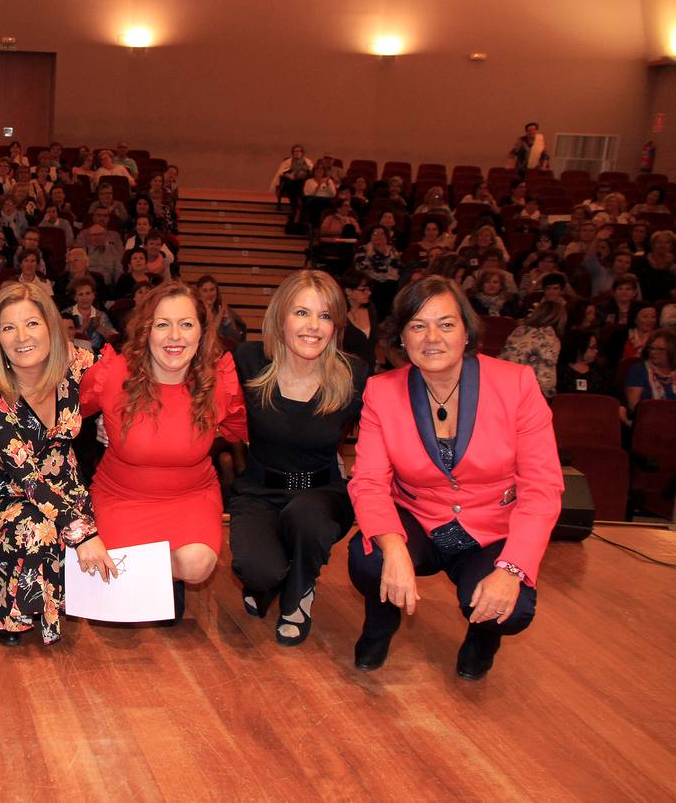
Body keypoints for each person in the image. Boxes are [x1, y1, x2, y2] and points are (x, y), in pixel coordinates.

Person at [347, 277, 562, 680]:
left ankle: (483, 640)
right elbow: (369, 481)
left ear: (467, 332)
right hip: (419, 518)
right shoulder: (381, 391)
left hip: (491, 528)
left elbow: (542, 487)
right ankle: (380, 625)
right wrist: (393, 548)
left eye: (446, 324)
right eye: (418, 326)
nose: (432, 337)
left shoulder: (516, 384)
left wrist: (511, 568)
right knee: (370, 559)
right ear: (403, 338)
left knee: (511, 609)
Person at [81, 280, 247, 622]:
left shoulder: (219, 380)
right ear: (146, 331)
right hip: (121, 495)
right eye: (162, 324)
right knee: (113, 612)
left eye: (186, 324)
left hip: (190, 496)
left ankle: (159, 580)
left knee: (198, 564)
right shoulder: (113, 373)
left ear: (201, 332)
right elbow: (65, 414)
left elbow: (241, 429)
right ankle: (148, 583)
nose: (175, 336)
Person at [227, 271, 367, 645]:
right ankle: (276, 575)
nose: (313, 326)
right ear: (280, 318)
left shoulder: (352, 373)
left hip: (321, 493)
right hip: (260, 490)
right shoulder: (249, 359)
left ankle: (301, 590)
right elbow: (199, 397)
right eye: (302, 313)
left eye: (325, 316)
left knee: (308, 518)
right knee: (258, 571)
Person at [0, 281, 112, 646]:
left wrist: (117, 420)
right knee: (37, 528)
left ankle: (62, 589)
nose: (21, 337)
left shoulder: (75, 366)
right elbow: (29, 479)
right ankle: (7, 613)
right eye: (8, 327)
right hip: (7, 497)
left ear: (50, 325)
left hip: (69, 489)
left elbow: (123, 375)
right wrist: (83, 533)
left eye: (32, 323)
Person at [498, 299, 565, 398]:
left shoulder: (520, 330)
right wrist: (552, 396)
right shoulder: (551, 339)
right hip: (525, 391)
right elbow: (546, 377)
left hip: (502, 382)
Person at [623, 328, 676, 412]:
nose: (653, 352)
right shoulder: (638, 370)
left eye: (660, 349)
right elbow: (634, 407)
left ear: (672, 351)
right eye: (651, 348)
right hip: (649, 420)